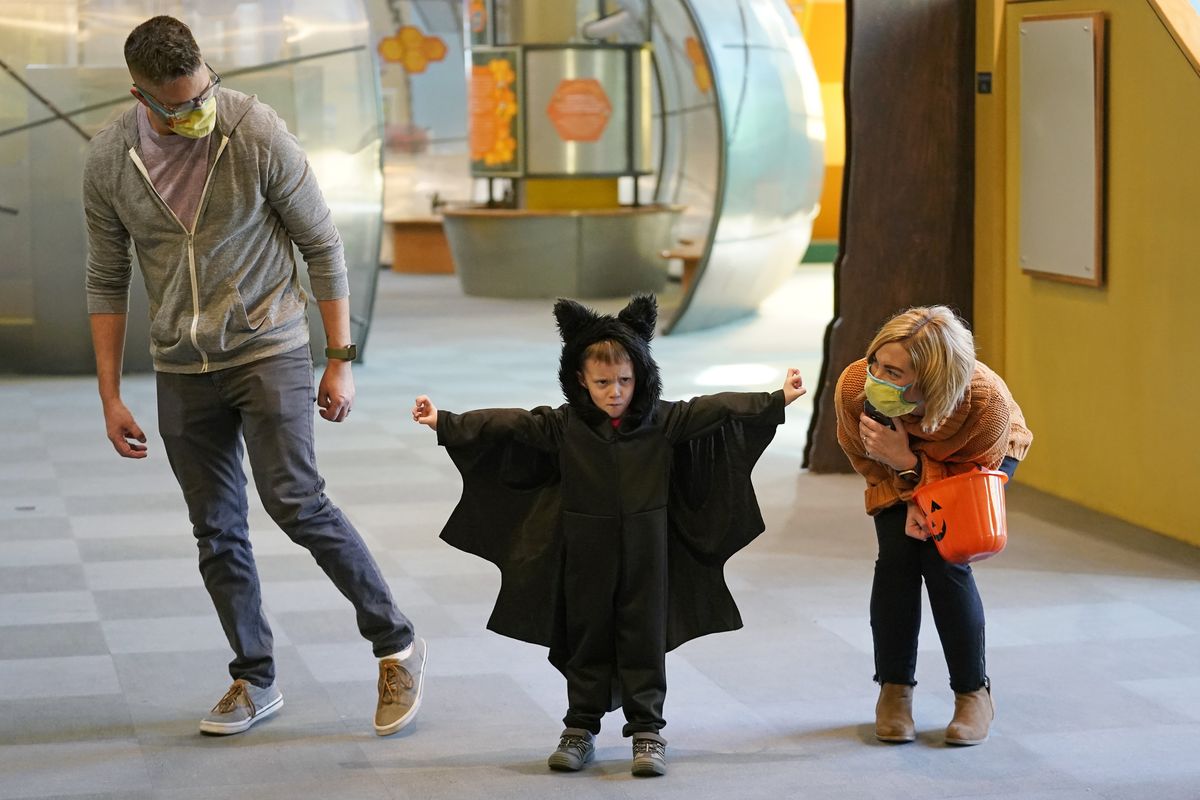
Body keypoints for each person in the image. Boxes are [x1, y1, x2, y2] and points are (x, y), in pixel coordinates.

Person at [83, 15, 425, 737]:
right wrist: (111, 393)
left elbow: (322, 244)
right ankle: (254, 676)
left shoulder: (254, 131)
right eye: (173, 106)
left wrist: (340, 359)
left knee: (294, 500)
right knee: (215, 530)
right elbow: (106, 278)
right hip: (181, 365)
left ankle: (396, 643)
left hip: (269, 347)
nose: (191, 113)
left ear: (208, 73)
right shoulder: (111, 158)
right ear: (140, 96)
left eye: (200, 94)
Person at [411, 295, 805, 777]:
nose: (615, 391)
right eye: (602, 382)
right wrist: (445, 421)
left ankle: (648, 731)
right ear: (580, 379)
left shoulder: (663, 420)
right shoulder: (564, 425)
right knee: (586, 633)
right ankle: (580, 726)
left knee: (645, 633)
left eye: (624, 380)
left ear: (640, 375)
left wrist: (773, 399)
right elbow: (510, 422)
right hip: (584, 552)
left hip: (649, 551)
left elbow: (714, 409)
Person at [834, 305, 1032, 746]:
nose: (877, 378)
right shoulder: (854, 388)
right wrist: (909, 492)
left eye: (895, 373)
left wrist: (912, 464)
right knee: (897, 560)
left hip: (974, 467)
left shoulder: (986, 405)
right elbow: (865, 458)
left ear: (931, 381)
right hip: (892, 467)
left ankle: (973, 694)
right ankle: (894, 690)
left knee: (946, 561)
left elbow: (969, 476)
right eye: (876, 364)